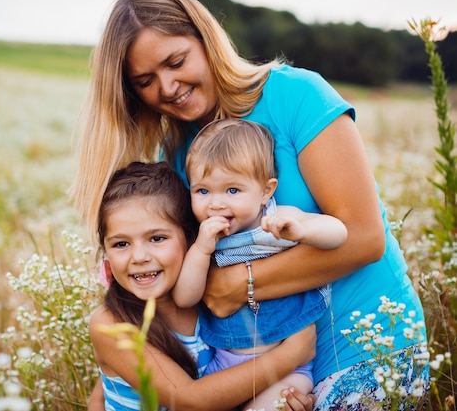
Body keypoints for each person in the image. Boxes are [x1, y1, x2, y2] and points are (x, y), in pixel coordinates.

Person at [71, 0, 429, 407]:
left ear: (206, 40)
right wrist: (105, 389)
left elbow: (366, 239)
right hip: (261, 374)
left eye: (176, 62)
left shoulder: (297, 96)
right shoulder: (175, 155)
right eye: (145, 81)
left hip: (370, 348)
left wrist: (238, 286)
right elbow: (161, 295)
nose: (167, 87)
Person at [88, 161, 316, 411]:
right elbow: (190, 401)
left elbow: (230, 387)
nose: (139, 256)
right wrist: (291, 354)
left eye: (157, 238)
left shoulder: (211, 299)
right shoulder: (111, 323)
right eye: (121, 244)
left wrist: (281, 398)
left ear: (190, 238)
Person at [172, 118, 347, 411]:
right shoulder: (201, 239)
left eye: (232, 191)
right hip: (225, 363)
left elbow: (339, 233)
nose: (215, 204)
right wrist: (201, 250)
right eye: (203, 191)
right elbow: (185, 297)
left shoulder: (279, 219)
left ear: (266, 192)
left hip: (288, 368)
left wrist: (303, 231)